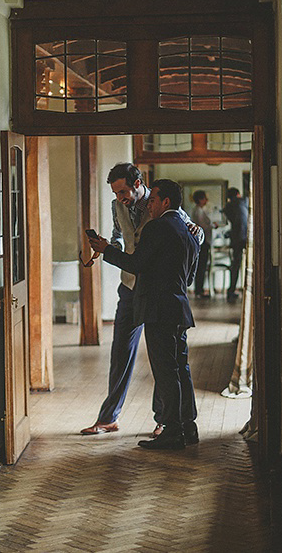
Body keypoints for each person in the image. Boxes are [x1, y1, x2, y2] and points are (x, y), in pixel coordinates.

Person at [79, 164, 203, 438]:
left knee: (163, 358)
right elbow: (118, 236)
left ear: (138, 184)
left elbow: (194, 236)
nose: (119, 197)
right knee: (121, 351)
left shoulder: (163, 203)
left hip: (157, 291)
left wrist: (195, 236)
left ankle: (164, 420)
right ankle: (109, 417)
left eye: (123, 191)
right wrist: (106, 247)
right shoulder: (118, 206)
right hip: (129, 287)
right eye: (115, 192)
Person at [222, 187, 248, 302]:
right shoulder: (245, 201)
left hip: (236, 238)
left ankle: (231, 290)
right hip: (247, 236)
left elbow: (232, 220)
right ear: (238, 194)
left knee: (235, 265)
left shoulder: (228, 206)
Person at [190, 190, 213, 298]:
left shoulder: (198, 210)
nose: (206, 200)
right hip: (202, 242)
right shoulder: (198, 211)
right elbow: (202, 226)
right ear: (200, 199)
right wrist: (213, 225)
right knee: (201, 266)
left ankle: (199, 289)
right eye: (204, 198)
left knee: (201, 266)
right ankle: (199, 290)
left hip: (202, 241)